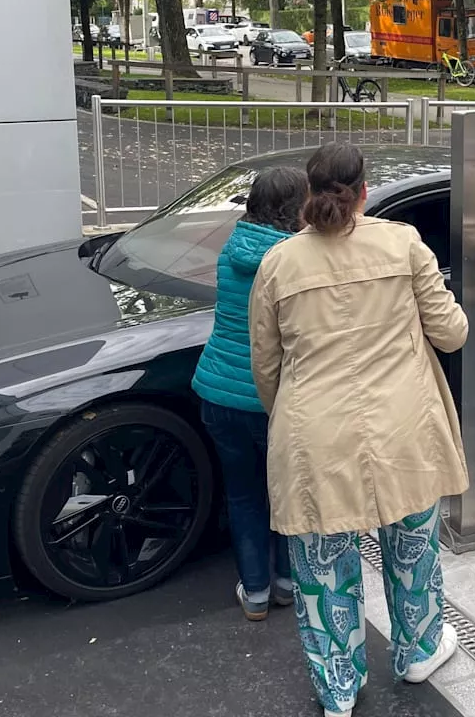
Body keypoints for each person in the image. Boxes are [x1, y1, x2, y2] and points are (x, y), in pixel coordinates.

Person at [249, 142, 468, 717]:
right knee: (413, 548)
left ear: (308, 195)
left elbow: (265, 365)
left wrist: (291, 415)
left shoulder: (278, 263)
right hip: (404, 425)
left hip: (313, 433)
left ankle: (338, 690)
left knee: (323, 566)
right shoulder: (404, 244)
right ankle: (419, 649)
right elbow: (452, 334)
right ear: (364, 191)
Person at [191, 166, 309, 621]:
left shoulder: (230, 251)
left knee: (242, 495)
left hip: (217, 393)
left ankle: (255, 592)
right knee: (284, 493)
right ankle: (285, 583)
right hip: (269, 397)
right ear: (295, 206)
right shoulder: (294, 259)